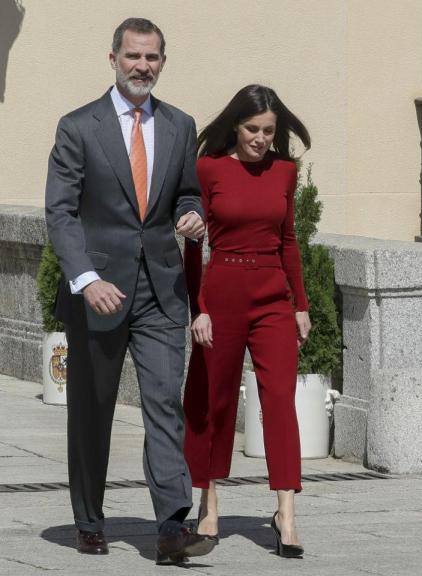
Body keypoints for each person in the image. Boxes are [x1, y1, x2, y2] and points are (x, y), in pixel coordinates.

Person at [44, 17, 216, 565]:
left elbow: (188, 195)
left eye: (153, 58)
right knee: (92, 411)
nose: (143, 66)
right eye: (134, 56)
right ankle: (89, 520)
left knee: (165, 403)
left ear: (163, 62)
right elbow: (61, 212)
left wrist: (191, 217)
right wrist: (86, 279)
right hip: (99, 291)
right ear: (113, 58)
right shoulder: (78, 127)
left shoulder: (180, 125)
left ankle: (170, 525)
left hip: (161, 291)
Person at [182, 84, 312, 559]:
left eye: (269, 131)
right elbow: (194, 246)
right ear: (235, 126)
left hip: (273, 296)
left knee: (279, 397)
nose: (260, 139)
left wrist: (301, 305)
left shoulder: (285, 171)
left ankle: (287, 513)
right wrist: (198, 308)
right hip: (223, 293)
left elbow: (290, 240)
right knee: (213, 399)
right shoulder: (208, 168)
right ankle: (209, 501)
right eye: (252, 129)